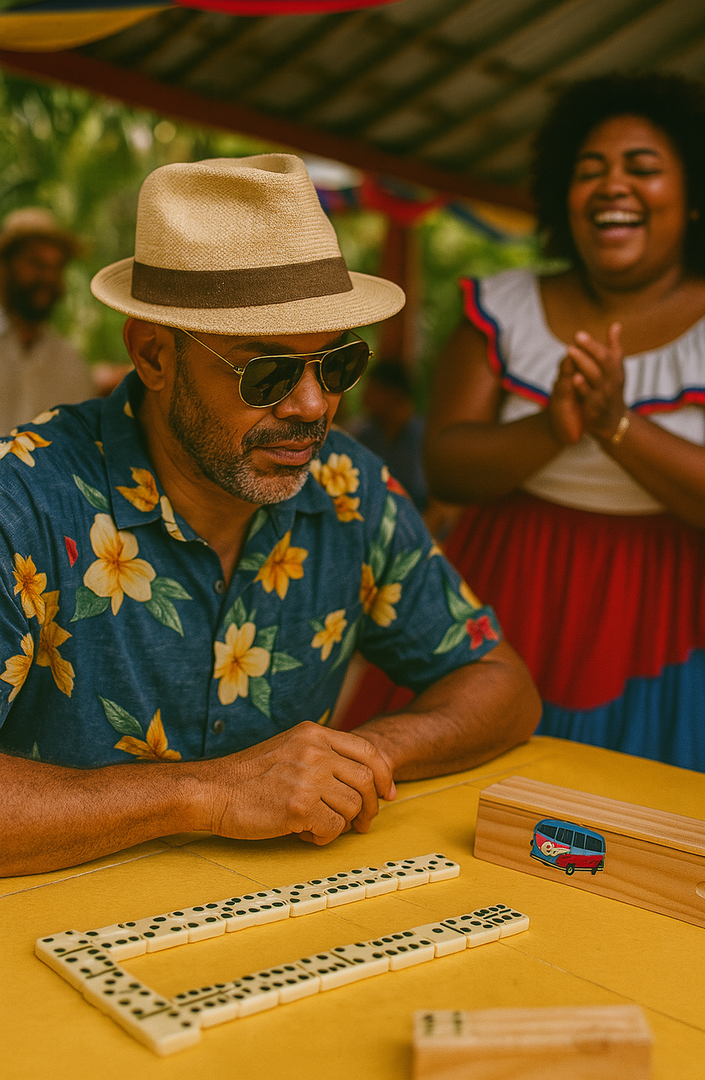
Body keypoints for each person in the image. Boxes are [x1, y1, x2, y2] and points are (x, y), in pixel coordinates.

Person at [0, 154, 539, 877]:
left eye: (337, 365)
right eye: (269, 372)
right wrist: (207, 794)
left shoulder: (349, 486)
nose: (312, 406)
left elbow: (501, 684)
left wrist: (361, 758)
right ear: (154, 355)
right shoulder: (23, 500)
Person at [423, 73, 705, 775]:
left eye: (642, 169)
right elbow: (445, 466)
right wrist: (550, 431)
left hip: (672, 607)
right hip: (510, 584)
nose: (613, 185)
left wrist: (615, 424)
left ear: (697, 197)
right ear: (564, 195)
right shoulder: (500, 308)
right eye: (590, 172)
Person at [0, 207, 93, 432]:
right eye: (37, 264)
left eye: (56, 267)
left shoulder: (67, 361)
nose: (48, 278)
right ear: (4, 266)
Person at [346, 360, 428, 511]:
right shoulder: (366, 436)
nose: (365, 398)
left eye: (372, 390)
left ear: (393, 393)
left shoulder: (424, 438)